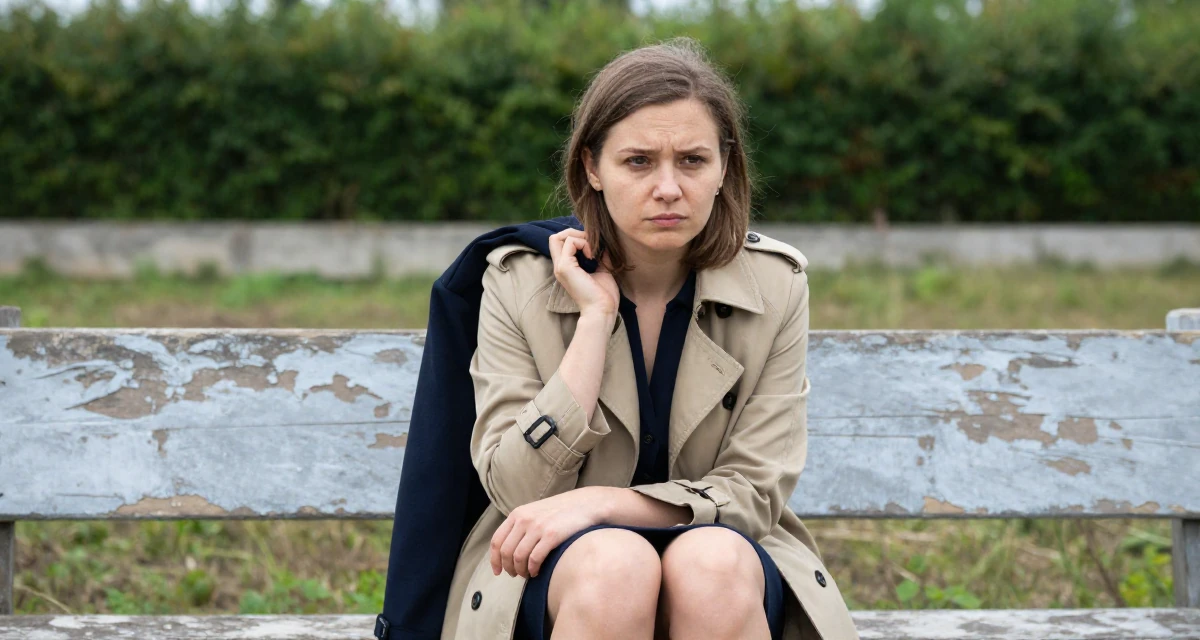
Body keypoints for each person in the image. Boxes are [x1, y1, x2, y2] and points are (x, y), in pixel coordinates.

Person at [440, 38, 861, 640]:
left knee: (709, 561)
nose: (668, 187)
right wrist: (592, 320)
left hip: (727, 569)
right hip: (552, 576)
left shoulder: (776, 287)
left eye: (692, 160)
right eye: (638, 161)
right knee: (616, 565)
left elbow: (753, 494)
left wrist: (603, 504)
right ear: (592, 167)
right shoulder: (518, 282)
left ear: (724, 167)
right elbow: (517, 490)